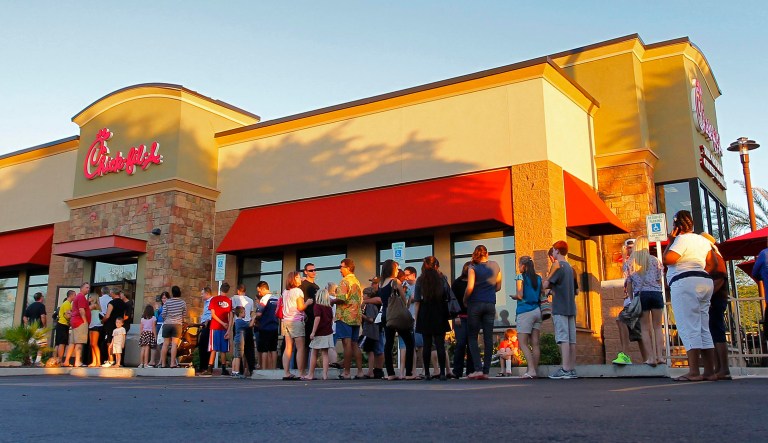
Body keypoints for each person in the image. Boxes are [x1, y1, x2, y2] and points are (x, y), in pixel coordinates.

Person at [663, 210, 717, 382]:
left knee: (688, 326)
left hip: (684, 282)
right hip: (704, 281)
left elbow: (669, 259)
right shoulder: (703, 241)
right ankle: (710, 371)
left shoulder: (681, 239)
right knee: (703, 327)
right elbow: (712, 263)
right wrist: (699, 273)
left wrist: (671, 241)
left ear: (677, 226)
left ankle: (694, 371)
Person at [623, 236, 664, 366]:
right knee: (658, 327)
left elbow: (628, 284)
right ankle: (660, 357)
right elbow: (659, 279)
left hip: (642, 295)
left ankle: (651, 358)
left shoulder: (630, 262)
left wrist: (631, 299)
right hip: (656, 293)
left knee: (645, 328)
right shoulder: (655, 260)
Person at [464, 245, 502, 380]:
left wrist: (465, 299)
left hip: (475, 304)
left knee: (473, 337)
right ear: (488, 253)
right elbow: (498, 286)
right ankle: (486, 371)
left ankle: (478, 369)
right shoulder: (496, 265)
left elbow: (470, 287)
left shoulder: (472, 267)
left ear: (475, 254)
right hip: (490, 304)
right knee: (488, 338)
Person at [544, 241, 579, 380]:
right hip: (571, 307)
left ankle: (565, 369)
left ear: (557, 250)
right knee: (571, 339)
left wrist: (547, 289)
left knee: (563, 338)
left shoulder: (558, 266)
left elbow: (546, 284)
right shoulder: (571, 268)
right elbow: (576, 291)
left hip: (560, 307)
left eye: (553, 251)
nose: (552, 254)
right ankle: (571, 368)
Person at [414, 256, 452, 381]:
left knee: (427, 344)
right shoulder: (442, 279)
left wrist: (416, 317)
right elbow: (447, 296)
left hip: (425, 312)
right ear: (436, 266)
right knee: (440, 344)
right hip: (439, 312)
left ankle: (427, 373)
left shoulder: (420, 280)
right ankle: (442, 372)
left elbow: (417, 300)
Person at [378, 259, 416, 380]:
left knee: (388, 344)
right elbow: (404, 300)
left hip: (385, 315)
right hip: (396, 316)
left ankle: (390, 373)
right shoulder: (395, 281)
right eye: (396, 268)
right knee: (409, 342)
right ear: (392, 269)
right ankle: (409, 373)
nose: (397, 270)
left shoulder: (381, 283)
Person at [702, 232, 731, 380]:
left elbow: (719, 279)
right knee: (714, 332)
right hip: (714, 299)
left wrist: (707, 295)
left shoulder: (716, 258)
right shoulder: (714, 257)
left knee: (717, 332)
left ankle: (723, 368)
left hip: (716, 299)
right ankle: (718, 368)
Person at [333, 258, 364, 379]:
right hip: (356, 316)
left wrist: (331, 300)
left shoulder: (344, 281)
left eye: (341, 267)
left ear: (348, 268)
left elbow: (342, 298)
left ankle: (346, 372)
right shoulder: (356, 281)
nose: (340, 270)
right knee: (355, 344)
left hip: (345, 316)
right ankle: (360, 371)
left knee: (346, 344)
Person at [513, 255, 543, 379]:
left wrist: (514, 296)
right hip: (537, 311)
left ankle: (531, 370)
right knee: (535, 343)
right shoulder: (538, 278)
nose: (518, 267)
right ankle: (534, 370)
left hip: (525, 311)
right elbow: (542, 293)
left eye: (519, 264)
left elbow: (520, 295)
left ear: (524, 266)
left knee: (523, 343)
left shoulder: (521, 277)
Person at [281, 271, 312, 380]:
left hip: (285, 321)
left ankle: (286, 372)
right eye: (298, 277)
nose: (300, 279)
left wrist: (302, 279)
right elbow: (300, 307)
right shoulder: (298, 291)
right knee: (300, 347)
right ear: (294, 279)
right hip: (296, 320)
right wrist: (307, 302)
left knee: (288, 347)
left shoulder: (285, 292)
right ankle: (301, 373)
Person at [304, 284, 335, 380]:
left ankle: (310, 374)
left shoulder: (317, 306)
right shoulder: (329, 308)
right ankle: (325, 375)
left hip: (319, 333)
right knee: (325, 353)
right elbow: (331, 320)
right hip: (328, 332)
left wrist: (313, 332)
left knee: (314, 352)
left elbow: (317, 319)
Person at [451, 261, 475, 378]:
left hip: (472, 317)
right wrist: (455, 316)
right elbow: (452, 300)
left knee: (471, 344)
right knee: (461, 343)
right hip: (460, 317)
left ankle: (471, 370)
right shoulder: (457, 283)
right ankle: (457, 371)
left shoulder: (476, 282)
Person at [401, 266, 424, 378]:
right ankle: (413, 370)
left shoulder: (419, 285)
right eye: (404, 274)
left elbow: (419, 298)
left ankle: (424, 370)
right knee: (411, 346)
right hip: (407, 319)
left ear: (414, 275)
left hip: (418, 319)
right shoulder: (403, 286)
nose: (405, 277)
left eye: (407, 274)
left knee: (421, 346)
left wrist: (413, 297)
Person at [161, 286, 188, 369]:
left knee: (165, 344)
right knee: (174, 344)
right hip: (177, 324)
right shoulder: (182, 303)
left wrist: (167, 319)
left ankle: (163, 364)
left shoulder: (167, 302)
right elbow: (184, 315)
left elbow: (163, 314)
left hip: (167, 324)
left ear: (172, 293)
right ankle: (172, 363)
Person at [231, 283, 256, 375]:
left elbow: (231, 312)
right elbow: (251, 312)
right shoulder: (250, 300)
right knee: (249, 349)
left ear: (238, 290)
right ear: (245, 291)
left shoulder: (234, 299)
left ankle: (239, 370)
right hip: (248, 324)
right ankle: (251, 369)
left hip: (238, 325)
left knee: (238, 352)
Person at [300, 263, 320, 372]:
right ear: (305, 272)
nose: (313, 272)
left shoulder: (317, 287)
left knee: (316, 346)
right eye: (311, 270)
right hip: (307, 318)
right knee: (305, 346)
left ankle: (312, 369)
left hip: (316, 318)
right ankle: (302, 370)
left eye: (314, 270)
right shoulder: (302, 286)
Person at [256, 281, 279, 369]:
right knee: (273, 349)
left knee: (264, 349)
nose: (259, 293)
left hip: (265, 327)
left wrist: (254, 318)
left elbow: (259, 314)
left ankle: (264, 369)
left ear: (263, 288)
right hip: (274, 326)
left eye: (259, 291)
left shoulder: (264, 299)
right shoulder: (276, 298)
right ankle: (273, 368)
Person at [101, 288, 127, 367]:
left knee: (110, 343)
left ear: (113, 293)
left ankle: (110, 360)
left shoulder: (111, 303)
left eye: (110, 293)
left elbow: (108, 315)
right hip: (120, 325)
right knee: (119, 344)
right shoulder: (123, 303)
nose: (110, 294)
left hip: (111, 324)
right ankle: (119, 361)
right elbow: (124, 315)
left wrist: (103, 320)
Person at [359, 289, 382, 379]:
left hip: (369, 331)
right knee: (370, 351)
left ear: (368, 296)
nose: (362, 296)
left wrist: (361, 315)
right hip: (372, 331)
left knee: (360, 348)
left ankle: (370, 371)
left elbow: (371, 319)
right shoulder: (373, 306)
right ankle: (370, 371)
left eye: (364, 294)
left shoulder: (370, 306)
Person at [69, 282, 92, 368]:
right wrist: (85, 321)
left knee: (73, 342)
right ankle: (77, 361)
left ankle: (68, 360)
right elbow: (82, 310)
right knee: (79, 342)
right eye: (86, 287)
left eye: (88, 288)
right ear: (81, 288)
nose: (88, 289)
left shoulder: (78, 297)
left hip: (75, 322)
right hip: (80, 322)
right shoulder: (81, 297)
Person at [23, 292, 47, 366]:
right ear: (41, 298)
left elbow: (24, 317)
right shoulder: (41, 306)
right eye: (42, 296)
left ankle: (30, 360)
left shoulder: (30, 306)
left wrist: (27, 325)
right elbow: (42, 316)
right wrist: (44, 325)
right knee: (42, 344)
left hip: (31, 328)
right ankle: (38, 361)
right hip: (39, 328)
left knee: (30, 344)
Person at [231, 306, 254, 379]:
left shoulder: (237, 321)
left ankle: (233, 371)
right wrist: (253, 318)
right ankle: (237, 372)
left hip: (236, 339)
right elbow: (250, 325)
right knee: (238, 357)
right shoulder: (240, 321)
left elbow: (247, 323)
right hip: (240, 340)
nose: (245, 314)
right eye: (244, 312)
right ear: (240, 313)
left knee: (235, 356)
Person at [55, 290, 75, 366]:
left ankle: (55, 359)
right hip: (63, 324)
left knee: (58, 343)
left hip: (60, 324)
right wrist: (72, 319)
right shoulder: (67, 304)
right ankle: (60, 360)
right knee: (62, 343)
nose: (75, 297)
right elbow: (68, 315)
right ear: (71, 295)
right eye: (74, 295)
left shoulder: (65, 303)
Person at [149, 291, 168, 367]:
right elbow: (156, 317)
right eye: (162, 298)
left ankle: (161, 361)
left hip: (164, 325)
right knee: (155, 342)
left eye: (165, 298)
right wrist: (156, 310)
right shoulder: (160, 307)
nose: (164, 300)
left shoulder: (168, 306)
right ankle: (153, 361)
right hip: (158, 325)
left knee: (162, 343)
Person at [196, 288, 211, 373]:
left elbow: (212, 313)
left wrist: (207, 320)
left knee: (205, 345)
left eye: (202, 294)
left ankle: (205, 366)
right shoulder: (206, 303)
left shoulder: (211, 301)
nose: (201, 296)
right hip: (203, 325)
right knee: (201, 345)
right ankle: (202, 366)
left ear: (207, 293)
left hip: (208, 325)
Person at [87, 295, 102, 367]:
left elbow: (87, 309)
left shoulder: (94, 305)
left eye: (90, 297)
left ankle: (98, 361)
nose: (89, 298)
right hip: (91, 325)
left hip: (96, 325)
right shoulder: (91, 305)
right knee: (91, 344)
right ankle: (94, 361)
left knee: (94, 344)